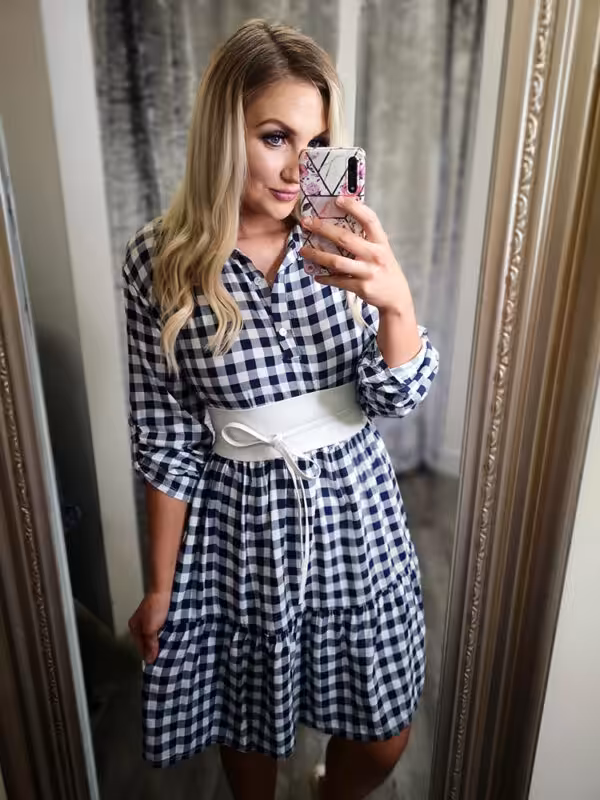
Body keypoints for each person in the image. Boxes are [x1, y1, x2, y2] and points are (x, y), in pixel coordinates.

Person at [124, 18, 439, 800]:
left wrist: (395, 303)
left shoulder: (343, 238)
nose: (301, 167)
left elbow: (395, 396)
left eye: (317, 142)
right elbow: (166, 438)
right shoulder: (158, 260)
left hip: (355, 512)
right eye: (275, 137)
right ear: (221, 133)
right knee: (250, 728)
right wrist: (160, 587)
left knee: (383, 735)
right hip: (240, 526)